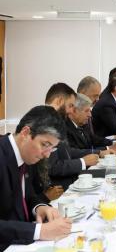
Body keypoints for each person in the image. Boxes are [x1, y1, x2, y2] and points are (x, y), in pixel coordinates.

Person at [0, 106, 72, 250]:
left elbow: (28, 195)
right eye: (45, 145)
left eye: (52, 148)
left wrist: (39, 207)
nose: (47, 154)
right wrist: (39, 231)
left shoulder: (28, 154)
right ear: (26, 133)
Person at [45, 83, 99, 190]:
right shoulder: (46, 123)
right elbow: (53, 167)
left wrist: (95, 154)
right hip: (59, 187)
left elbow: (66, 151)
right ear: (59, 101)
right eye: (70, 106)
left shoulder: (57, 121)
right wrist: (83, 162)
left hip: (71, 179)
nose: (71, 111)